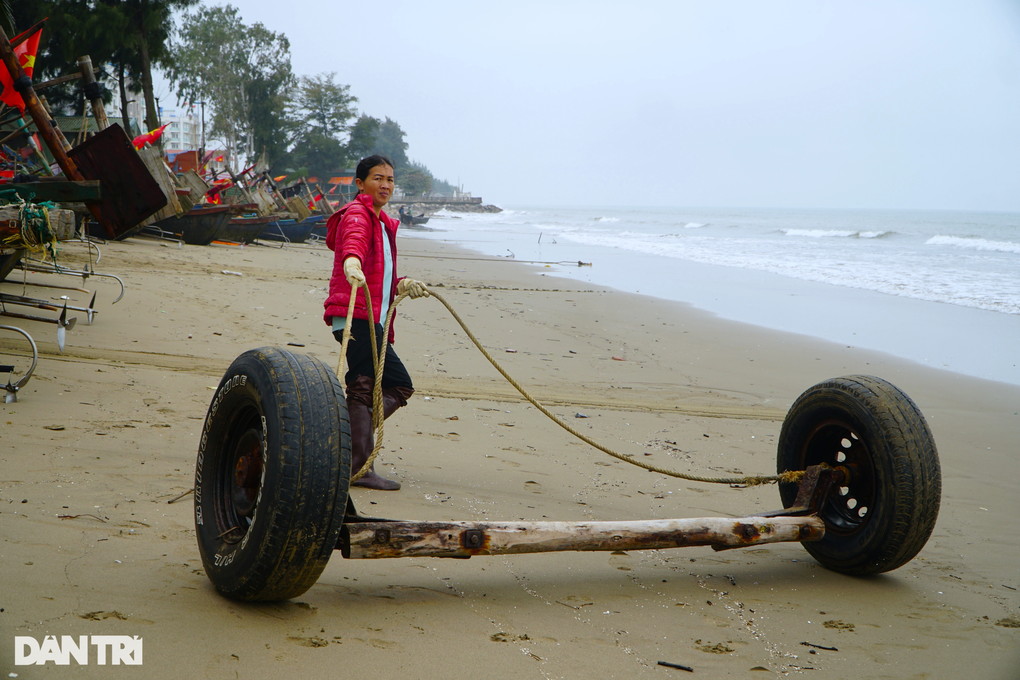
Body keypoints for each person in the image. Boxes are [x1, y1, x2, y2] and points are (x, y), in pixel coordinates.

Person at [323, 155, 430, 490]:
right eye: (377, 178)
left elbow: (381, 273)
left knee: (363, 385)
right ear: (360, 184)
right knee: (397, 384)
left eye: (390, 180)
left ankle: (350, 456)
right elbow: (353, 243)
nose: (386, 185)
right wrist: (351, 263)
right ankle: (355, 462)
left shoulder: (382, 222)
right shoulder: (359, 213)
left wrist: (403, 283)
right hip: (356, 317)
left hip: (371, 318)